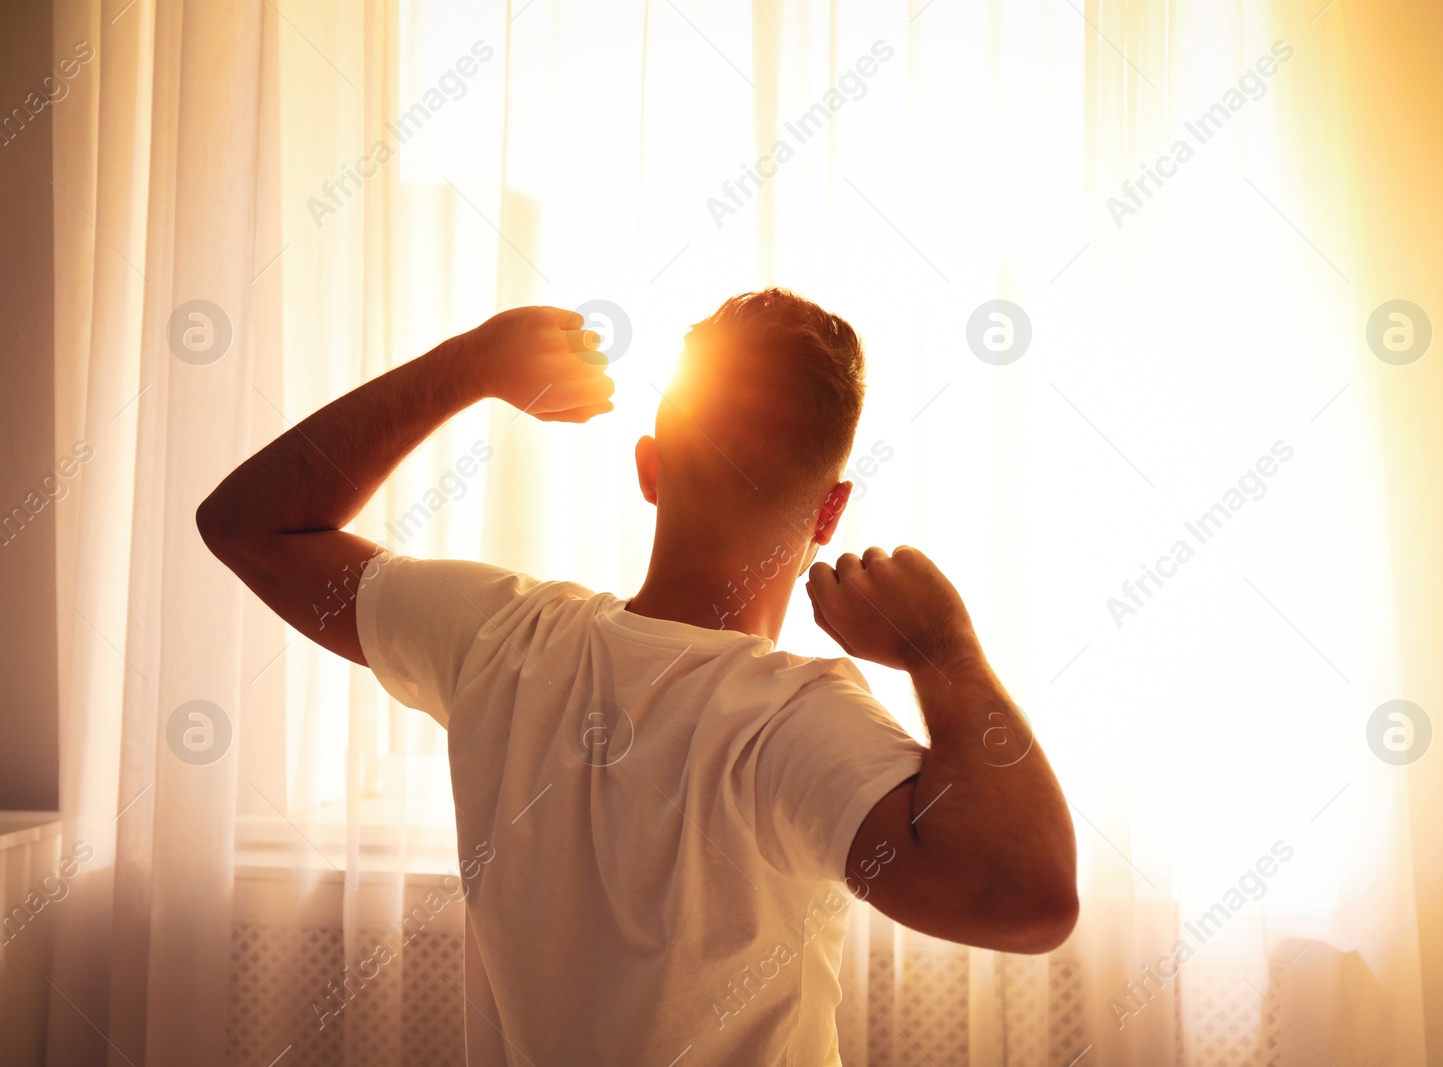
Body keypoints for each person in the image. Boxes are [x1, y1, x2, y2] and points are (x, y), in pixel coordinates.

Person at [197, 289, 1078, 1065]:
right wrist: (943, 651)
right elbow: (1029, 901)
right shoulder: (795, 722)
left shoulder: (499, 636)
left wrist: (467, 366)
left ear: (649, 469)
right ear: (831, 509)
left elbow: (247, 522)